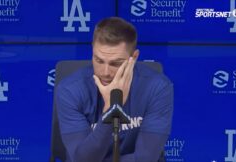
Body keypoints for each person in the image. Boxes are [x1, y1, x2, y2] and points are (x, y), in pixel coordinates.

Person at [56, 17, 173, 162]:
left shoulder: (158, 87)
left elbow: (146, 158)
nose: (105, 72)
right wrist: (110, 110)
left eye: (115, 63)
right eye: (98, 60)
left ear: (134, 57)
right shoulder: (70, 90)